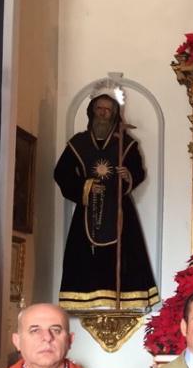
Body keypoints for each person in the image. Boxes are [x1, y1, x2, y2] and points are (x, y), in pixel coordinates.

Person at [54, 93, 159, 311]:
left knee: (125, 253)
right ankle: (87, 297)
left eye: (108, 110)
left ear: (114, 114)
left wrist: (128, 176)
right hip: (87, 210)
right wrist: (86, 185)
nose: (103, 113)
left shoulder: (125, 143)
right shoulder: (78, 143)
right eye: (99, 109)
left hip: (119, 208)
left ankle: (123, 297)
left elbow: (138, 172)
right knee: (85, 255)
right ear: (92, 111)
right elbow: (61, 173)